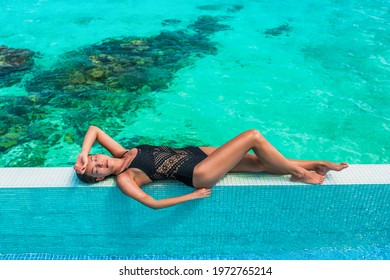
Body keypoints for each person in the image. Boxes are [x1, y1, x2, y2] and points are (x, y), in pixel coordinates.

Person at [74, 126, 348, 209]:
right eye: (96, 170)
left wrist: (83, 155)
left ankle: (317, 164)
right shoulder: (124, 178)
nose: (100, 163)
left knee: (257, 163)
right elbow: (151, 203)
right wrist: (191, 196)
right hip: (197, 173)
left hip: (196, 154)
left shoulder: (121, 152)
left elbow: (95, 129)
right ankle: (301, 174)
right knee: (252, 137)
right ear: (101, 179)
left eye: (96, 160)